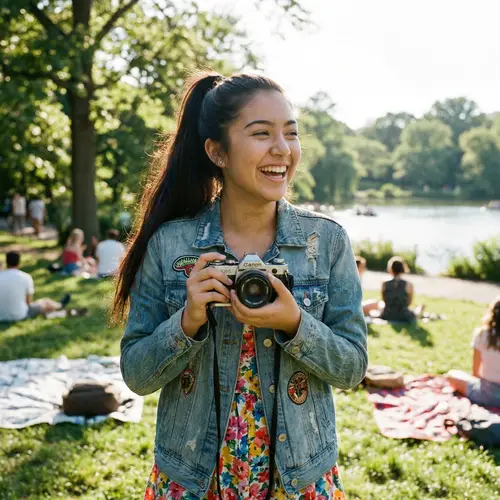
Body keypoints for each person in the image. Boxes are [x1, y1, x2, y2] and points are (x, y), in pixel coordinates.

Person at [114, 72, 367, 500]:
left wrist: (295, 324)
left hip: (298, 478)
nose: (282, 149)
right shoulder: (170, 244)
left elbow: (352, 368)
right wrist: (188, 321)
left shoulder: (325, 242)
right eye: (261, 133)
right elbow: (137, 376)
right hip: (193, 480)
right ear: (218, 151)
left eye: (291, 133)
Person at [446, 297, 500, 407]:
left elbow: (475, 372)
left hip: (485, 394)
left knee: (452, 375)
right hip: (489, 392)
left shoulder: (482, 334)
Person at [0, 251, 71, 322]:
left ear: (6, 262)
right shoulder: (26, 277)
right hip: (19, 315)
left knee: (44, 301)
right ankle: (60, 305)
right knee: (44, 302)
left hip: (1, 315)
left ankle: (59, 305)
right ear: (19, 262)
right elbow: (29, 303)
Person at [380, 256, 424, 323]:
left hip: (387, 315)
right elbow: (409, 303)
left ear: (390, 268)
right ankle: (419, 308)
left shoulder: (384, 283)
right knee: (416, 311)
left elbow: (384, 300)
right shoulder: (409, 285)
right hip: (404, 316)